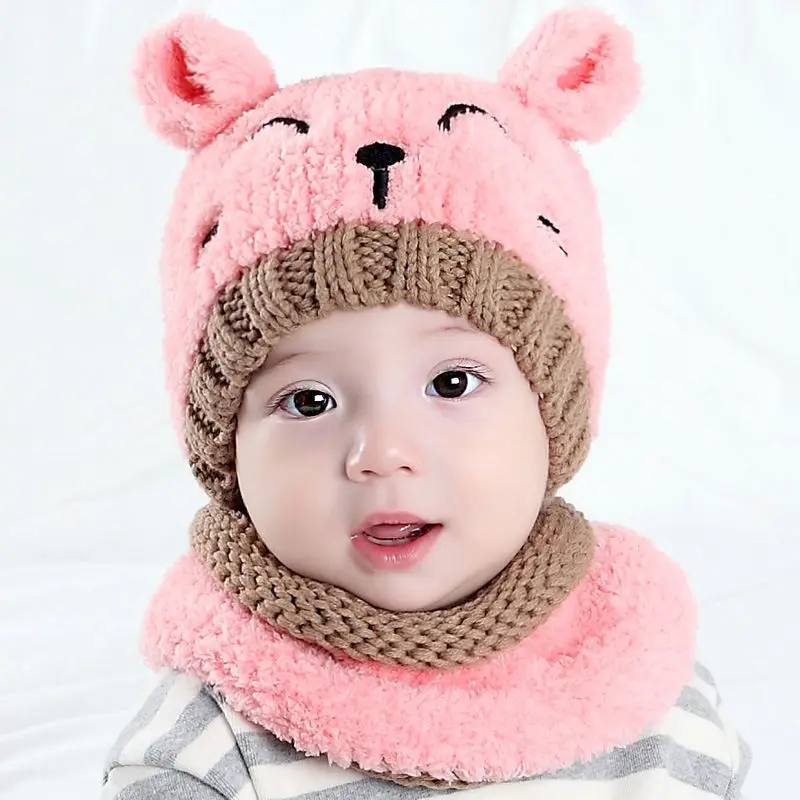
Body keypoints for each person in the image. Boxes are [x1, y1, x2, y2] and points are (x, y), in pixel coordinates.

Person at [101, 7, 751, 797]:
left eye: (451, 384)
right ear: (226, 448)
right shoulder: (208, 746)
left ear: (555, 416)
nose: (382, 453)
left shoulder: (648, 690)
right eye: (308, 400)